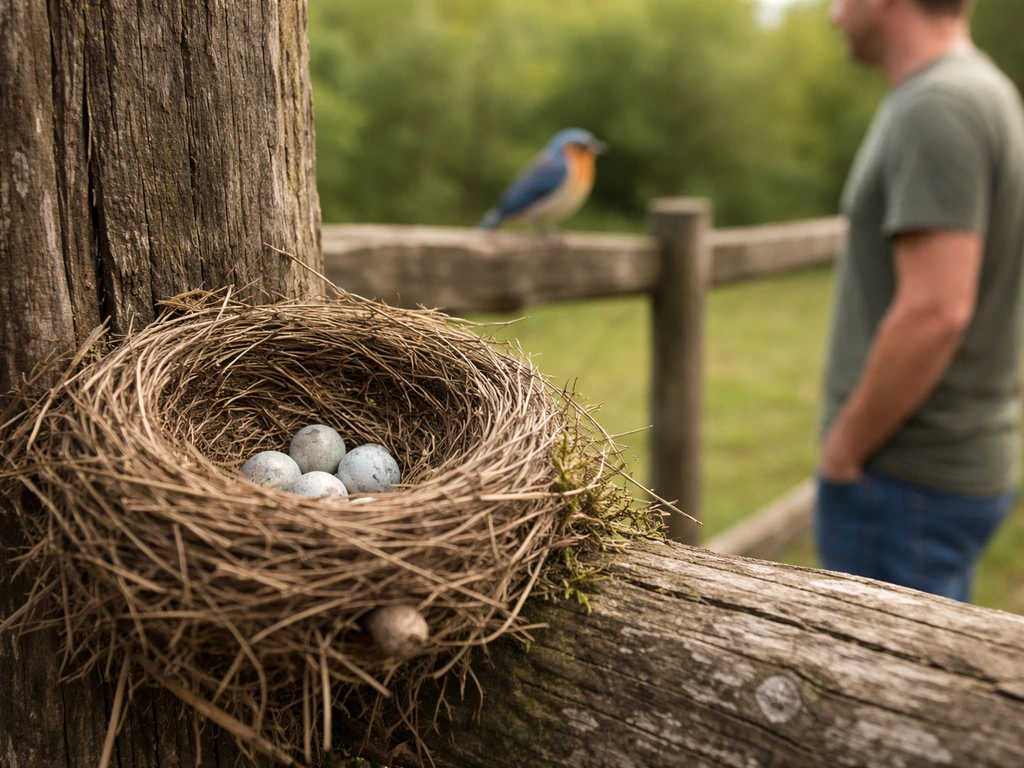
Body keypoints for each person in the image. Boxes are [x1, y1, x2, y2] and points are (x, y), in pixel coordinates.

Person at [816, 0, 1024, 602]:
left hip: (903, 481)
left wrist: (844, 450)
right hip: (935, 478)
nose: (833, 15)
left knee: (873, 690)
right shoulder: (975, 88)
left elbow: (936, 311)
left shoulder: (939, 105)